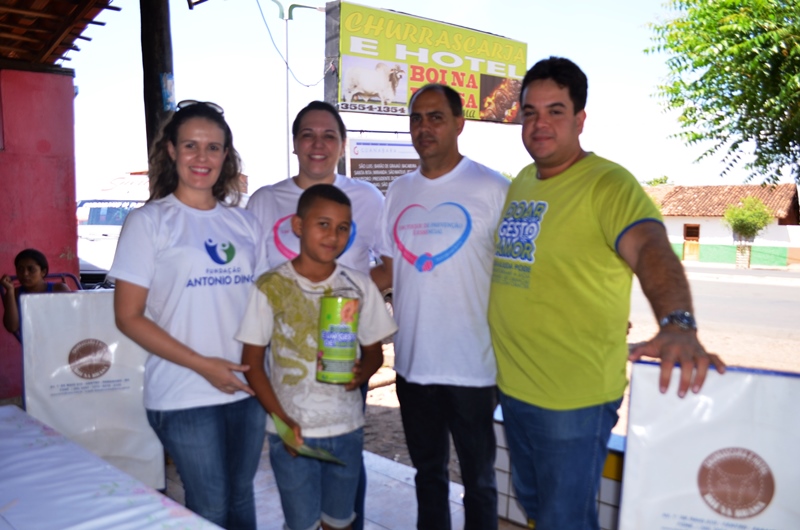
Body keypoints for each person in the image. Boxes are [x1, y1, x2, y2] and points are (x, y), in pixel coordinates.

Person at [487, 56, 726, 529]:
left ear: (580, 119)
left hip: (573, 401)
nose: (540, 123)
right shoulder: (521, 181)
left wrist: (677, 324)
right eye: (530, 112)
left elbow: (650, 248)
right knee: (536, 507)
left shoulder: (608, 184)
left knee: (565, 521)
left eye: (555, 111)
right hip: (514, 388)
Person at [109, 100, 267, 530]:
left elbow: (261, 307)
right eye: (192, 146)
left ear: (226, 156)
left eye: (214, 148)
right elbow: (128, 316)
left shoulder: (245, 224)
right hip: (184, 393)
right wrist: (204, 366)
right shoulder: (149, 222)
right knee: (210, 507)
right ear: (173, 151)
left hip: (246, 390)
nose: (203, 157)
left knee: (241, 499)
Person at [373, 84, 510, 530]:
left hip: (474, 368)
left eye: (436, 117)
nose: (424, 127)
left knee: (480, 482)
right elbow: (389, 273)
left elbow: (519, 275)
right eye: (417, 118)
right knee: (427, 476)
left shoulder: (493, 188)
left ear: (458, 124)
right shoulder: (397, 191)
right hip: (413, 366)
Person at [246, 100, 387, 529]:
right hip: (285, 360)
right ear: (294, 143)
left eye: (329, 135)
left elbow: (391, 264)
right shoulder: (266, 200)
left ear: (343, 145)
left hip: (342, 346)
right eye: (308, 134)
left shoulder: (366, 197)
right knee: (296, 462)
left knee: (345, 454)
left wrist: (350, 298)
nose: (318, 144)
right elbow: (251, 277)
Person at [2, 248, 70, 340]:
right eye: (20, 269)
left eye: (31, 269)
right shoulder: (15, 293)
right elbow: (12, 327)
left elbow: (70, 322)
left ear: (43, 272)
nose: (25, 274)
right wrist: (10, 291)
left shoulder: (59, 289)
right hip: (32, 347)